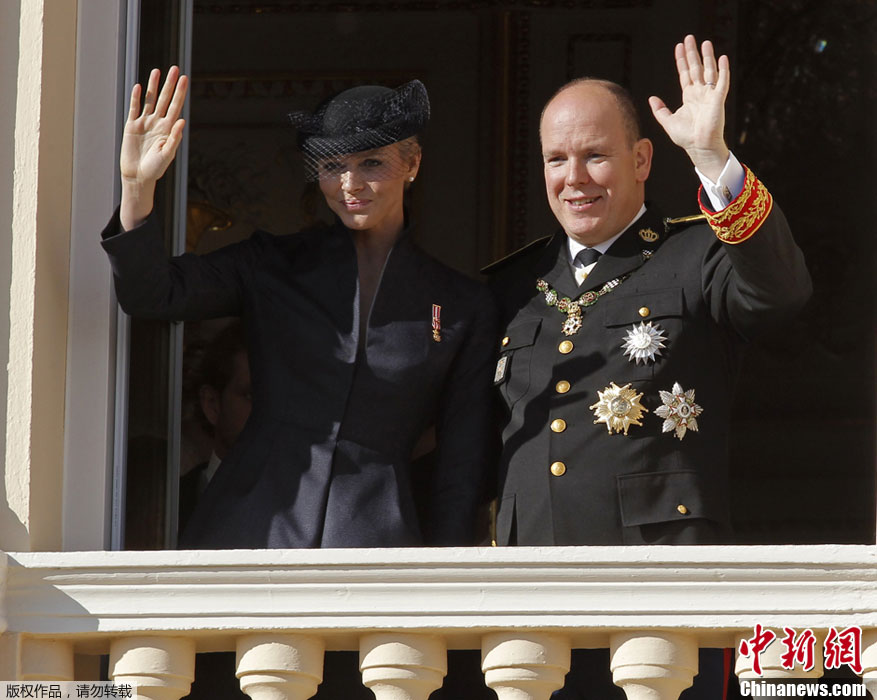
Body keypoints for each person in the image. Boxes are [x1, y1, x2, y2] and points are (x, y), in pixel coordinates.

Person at [485, 36, 812, 698]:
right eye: (556, 159)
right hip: (527, 605)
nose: (572, 177)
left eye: (594, 155)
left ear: (640, 159)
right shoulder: (505, 287)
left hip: (663, 593)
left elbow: (780, 289)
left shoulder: (694, 258)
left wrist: (711, 158)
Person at [101, 67, 497, 551]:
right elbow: (151, 294)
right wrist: (136, 189)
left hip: (378, 539)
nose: (350, 184)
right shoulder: (270, 264)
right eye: (332, 166)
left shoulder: (461, 304)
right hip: (247, 527)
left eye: (371, 163)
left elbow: (462, 460)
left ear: (412, 163)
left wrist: (448, 572)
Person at [178, 321, 252, 534]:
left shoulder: (312, 505)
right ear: (212, 404)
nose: (269, 410)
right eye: (252, 396)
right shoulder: (166, 504)